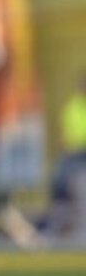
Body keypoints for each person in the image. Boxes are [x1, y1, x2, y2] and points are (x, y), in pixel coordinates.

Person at [42, 72, 86, 235]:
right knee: (59, 178)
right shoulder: (73, 106)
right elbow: (65, 135)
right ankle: (58, 219)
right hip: (74, 153)